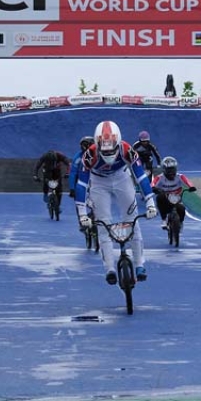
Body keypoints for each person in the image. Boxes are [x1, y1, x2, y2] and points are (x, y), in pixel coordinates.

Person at [75, 121, 157, 284]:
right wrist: (83, 214)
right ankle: (109, 268)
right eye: (104, 150)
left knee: (132, 220)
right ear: (97, 144)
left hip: (122, 177)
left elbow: (141, 176)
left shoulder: (127, 149)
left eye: (112, 150)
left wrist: (150, 202)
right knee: (102, 223)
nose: (109, 154)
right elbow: (82, 184)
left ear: (118, 143)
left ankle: (139, 264)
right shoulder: (89, 156)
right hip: (98, 182)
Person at [151, 156, 197, 229]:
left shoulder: (180, 176)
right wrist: (154, 188)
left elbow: (187, 182)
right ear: (164, 170)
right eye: (169, 170)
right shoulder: (159, 178)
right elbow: (153, 184)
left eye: (173, 169)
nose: (171, 172)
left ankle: (180, 223)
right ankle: (164, 220)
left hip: (177, 198)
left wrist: (191, 187)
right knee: (159, 198)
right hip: (165, 198)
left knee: (182, 209)